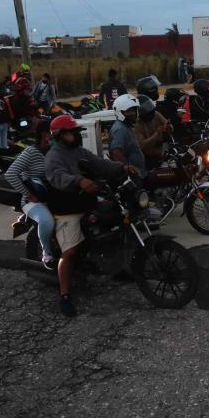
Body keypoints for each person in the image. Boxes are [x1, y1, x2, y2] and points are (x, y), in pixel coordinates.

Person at [45, 114, 139, 317]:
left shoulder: (79, 152)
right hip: (67, 209)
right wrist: (78, 181)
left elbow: (99, 163)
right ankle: (65, 295)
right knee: (69, 252)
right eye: (71, 132)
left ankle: (119, 266)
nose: (76, 134)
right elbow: (57, 177)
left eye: (76, 131)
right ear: (60, 135)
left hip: (88, 202)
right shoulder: (54, 156)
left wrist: (122, 167)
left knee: (120, 220)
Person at [5, 120, 56, 269]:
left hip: (55, 196)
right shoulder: (31, 152)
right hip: (34, 201)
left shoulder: (55, 150)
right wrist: (28, 194)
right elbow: (11, 174)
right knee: (47, 221)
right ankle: (47, 255)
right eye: (52, 132)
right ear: (44, 134)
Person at [109, 94, 146, 176]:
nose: (134, 114)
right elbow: (116, 152)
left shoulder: (126, 126)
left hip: (139, 174)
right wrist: (128, 169)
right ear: (120, 112)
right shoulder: (120, 129)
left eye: (134, 110)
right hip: (133, 176)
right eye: (129, 111)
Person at [134, 94, 172, 170]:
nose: (151, 112)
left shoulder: (156, 114)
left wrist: (168, 127)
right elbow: (142, 145)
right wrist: (157, 133)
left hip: (161, 150)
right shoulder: (137, 124)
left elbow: (169, 127)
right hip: (147, 157)